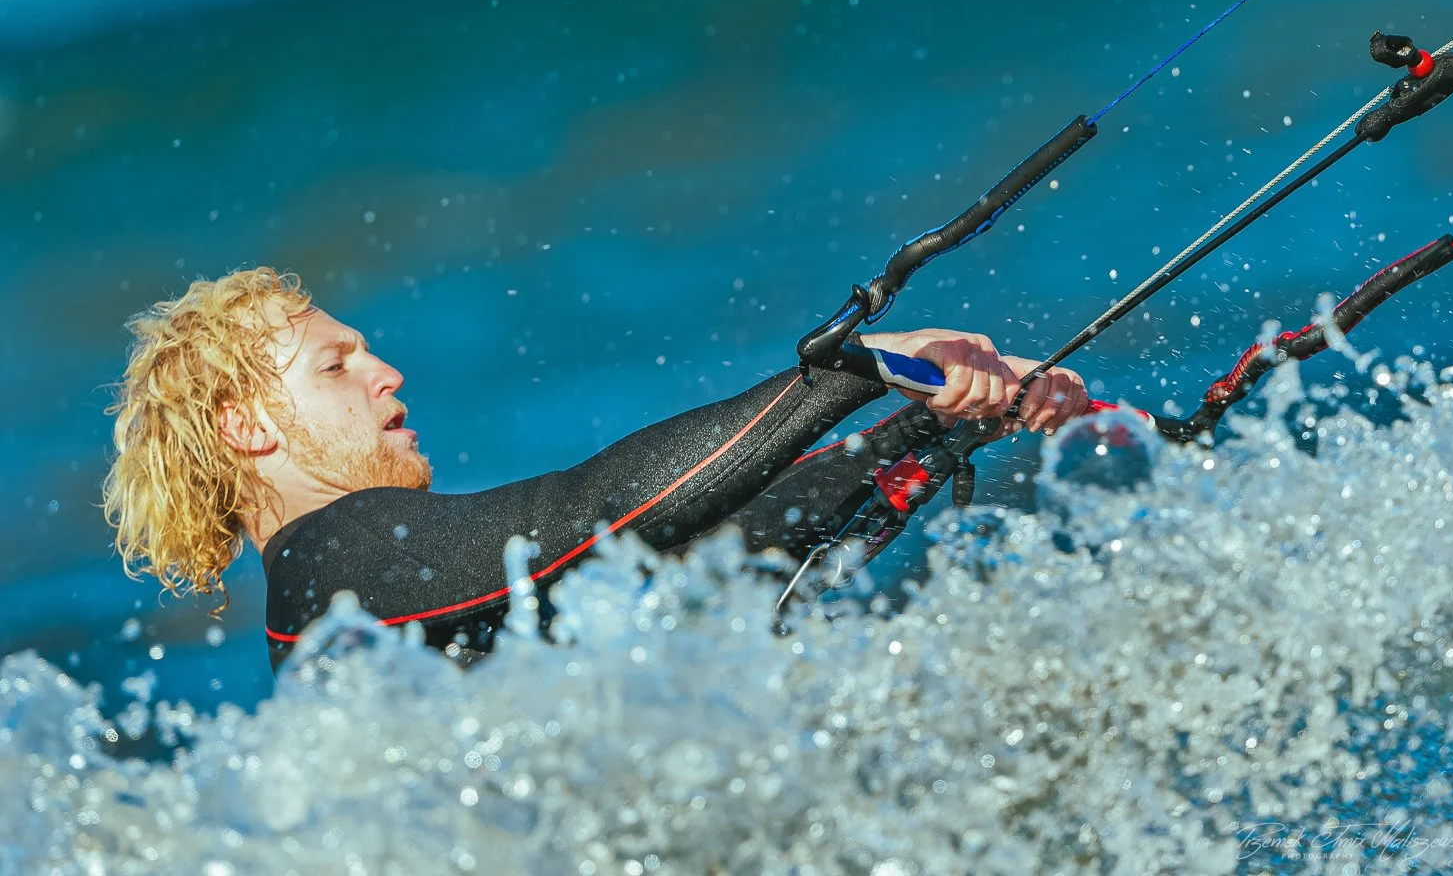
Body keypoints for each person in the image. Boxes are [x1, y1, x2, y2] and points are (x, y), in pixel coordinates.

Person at [102, 268, 1089, 670]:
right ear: (245, 428)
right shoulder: (330, 565)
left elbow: (718, 548)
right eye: (336, 363)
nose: (387, 370)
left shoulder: (387, 590)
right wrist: (857, 370)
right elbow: (601, 510)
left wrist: (939, 428)